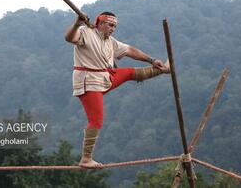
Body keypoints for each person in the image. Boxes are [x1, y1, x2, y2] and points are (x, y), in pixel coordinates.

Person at [65, 11, 170, 168]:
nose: (113, 29)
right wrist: (76, 24)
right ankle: (86, 158)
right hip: (89, 82)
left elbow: (130, 50)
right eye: (110, 25)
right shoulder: (85, 33)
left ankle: (163, 69)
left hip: (105, 78)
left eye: (115, 26)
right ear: (100, 23)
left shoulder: (110, 42)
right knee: (96, 119)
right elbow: (69, 38)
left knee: (128, 72)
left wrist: (152, 60)